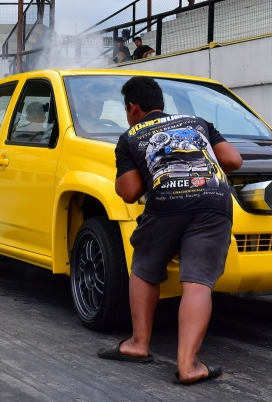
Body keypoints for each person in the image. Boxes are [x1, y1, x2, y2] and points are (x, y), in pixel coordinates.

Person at [98, 76, 242, 384]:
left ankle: (138, 344)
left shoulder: (130, 136)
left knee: (145, 267)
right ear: (160, 104)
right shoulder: (197, 121)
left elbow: (129, 192)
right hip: (213, 201)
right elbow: (233, 159)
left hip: (167, 201)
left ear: (132, 107)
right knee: (198, 281)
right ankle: (189, 365)